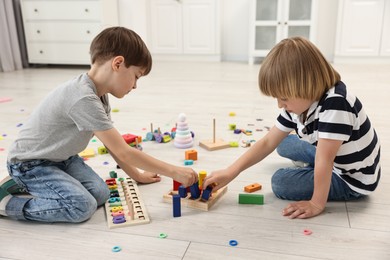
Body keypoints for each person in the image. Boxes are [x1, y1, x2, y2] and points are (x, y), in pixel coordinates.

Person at [0, 27, 198, 223]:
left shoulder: (99, 95)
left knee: (101, 194)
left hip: (62, 159)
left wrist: (137, 175)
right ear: (118, 63)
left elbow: (114, 146)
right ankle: (9, 204)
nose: (135, 85)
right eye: (136, 76)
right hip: (29, 164)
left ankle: (29, 185)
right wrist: (175, 171)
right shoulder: (82, 98)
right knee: (81, 206)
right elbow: (124, 152)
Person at [203, 37, 381, 219]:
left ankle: (316, 178)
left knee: (280, 182)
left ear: (305, 85)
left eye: (284, 98)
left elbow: (324, 160)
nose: (280, 105)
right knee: (284, 143)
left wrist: (316, 203)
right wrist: (231, 171)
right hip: (332, 154)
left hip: (352, 177)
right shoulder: (301, 101)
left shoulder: (336, 104)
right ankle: (312, 170)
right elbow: (267, 142)